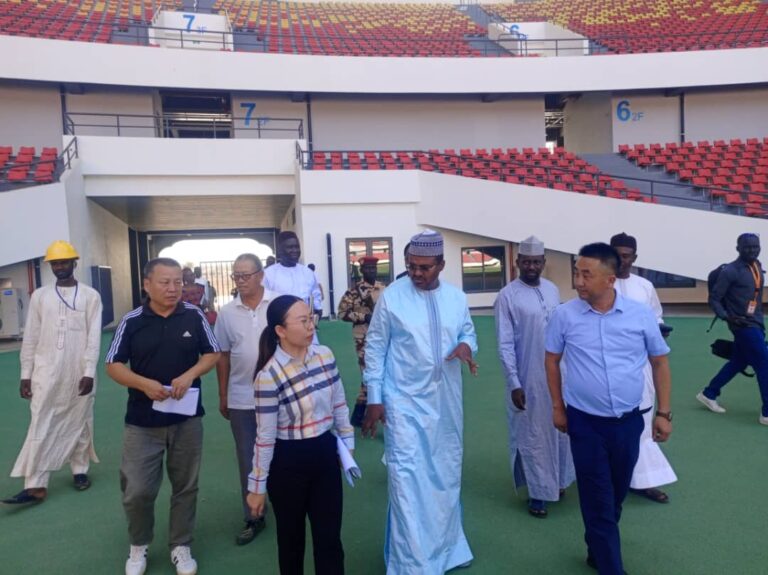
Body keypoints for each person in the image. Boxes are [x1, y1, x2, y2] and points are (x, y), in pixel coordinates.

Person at [545, 243, 672, 575]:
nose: (579, 281)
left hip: (629, 422)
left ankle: (596, 546)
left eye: (587, 274)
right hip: (584, 423)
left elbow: (659, 362)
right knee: (597, 497)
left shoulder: (640, 315)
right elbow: (552, 359)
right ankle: (611, 568)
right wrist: (558, 406)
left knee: (615, 494)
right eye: (576, 273)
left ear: (610, 279)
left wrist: (664, 412)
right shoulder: (564, 315)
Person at [362, 229, 478, 574]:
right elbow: (375, 348)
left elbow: (468, 331)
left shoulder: (456, 298)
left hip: (446, 405)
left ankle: (447, 551)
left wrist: (466, 346)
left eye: (424, 268)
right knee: (407, 480)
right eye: (411, 266)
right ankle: (413, 563)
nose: (416, 273)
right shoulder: (393, 298)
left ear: (441, 265)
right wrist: (376, 398)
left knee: (444, 477)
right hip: (404, 403)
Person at [106, 257, 221, 575]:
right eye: (165, 282)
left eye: (178, 282)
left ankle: (181, 545)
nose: (173, 289)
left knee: (185, 485)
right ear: (147, 284)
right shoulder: (132, 321)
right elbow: (113, 365)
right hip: (142, 422)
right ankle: (138, 545)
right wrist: (144, 384)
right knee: (138, 489)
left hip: (187, 419)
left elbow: (212, 353)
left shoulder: (194, 316)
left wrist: (190, 375)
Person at [247, 295, 353, 575]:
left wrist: (347, 443)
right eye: (303, 321)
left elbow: (339, 403)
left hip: (325, 455)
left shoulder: (325, 355)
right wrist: (256, 487)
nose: (311, 326)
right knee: (291, 541)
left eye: (311, 319)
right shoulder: (268, 376)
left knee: (329, 538)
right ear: (280, 331)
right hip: (288, 463)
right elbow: (265, 438)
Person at [2, 240, 102, 506]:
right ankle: (35, 484)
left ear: (73, 263)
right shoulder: (40, 296)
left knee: (80, 418)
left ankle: (79, 470)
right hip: (45, 370)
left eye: (63, 262)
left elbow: (94, 338)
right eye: (55, 263)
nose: (59, 267)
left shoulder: (90, 296)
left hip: (79, 371)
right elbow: (31, 337)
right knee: (40, 421)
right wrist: (26, 374)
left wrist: (90, 370)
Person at [494, 236, 574, 519]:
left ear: (543, 263)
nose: (531, 266)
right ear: (517, 263)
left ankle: (559, 481)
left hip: (559, 373)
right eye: (525, 261)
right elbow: (504, 343)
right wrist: (514, 382)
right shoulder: (507, 296)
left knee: (560, 430)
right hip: (528, 375)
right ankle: (538, 493)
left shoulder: (553, 290)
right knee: (533, 433)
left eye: (535, 262)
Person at [214, 254, 277, 545]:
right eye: (236, 276)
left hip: (281, 395)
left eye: (245, 275)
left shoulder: (279, 304)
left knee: (285, 454)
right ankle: (253, 516)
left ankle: (289, 507)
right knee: (247, 459)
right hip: (242, 398)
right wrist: (223, 393)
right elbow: (222, 355)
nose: (240, 281)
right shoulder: (226, 313)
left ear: (260, 275)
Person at [610, 232, 677, 503]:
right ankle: (615, 475)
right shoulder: (604, 285)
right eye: (617, 255)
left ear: (634, 258)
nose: (622, 261)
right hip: (612, 366)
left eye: (627, 256)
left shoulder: (645, 286)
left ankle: (644, 481)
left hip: (642, 364)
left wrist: (660, 331)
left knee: (643, 421)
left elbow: (655, 316)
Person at [698, 233, 768, 425]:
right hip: (743, 326)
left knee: (738, 361)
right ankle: (766, 413)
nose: (752, 250)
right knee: (764, 364)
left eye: (756, 246)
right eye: (747, 247)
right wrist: (728, 317)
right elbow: (714, 299)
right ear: (738, 248)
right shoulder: (731, 271)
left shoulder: (757, 265)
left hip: (756, 322)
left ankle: (709, 393)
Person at [338, 256, 385, 427]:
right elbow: (342, 313)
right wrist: (364, 316)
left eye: (374, 268)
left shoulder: (383, 288)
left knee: (381, 374)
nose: (371, 271)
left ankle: (360, 416)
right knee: (368, 375)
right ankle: (360, 416)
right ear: (362, 270)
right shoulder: (353, 292)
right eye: (368, 269)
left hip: (382, 337)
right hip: (362, 339)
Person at [263, 231, 322, 334]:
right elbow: (264, 304)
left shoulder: (307, 273)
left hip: (307, 328)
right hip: (282, 329)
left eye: (296, 247)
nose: (294, 250)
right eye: (290, 247)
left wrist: (316, 316)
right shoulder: (269, 274)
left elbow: (316, 297)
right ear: (280, 250)